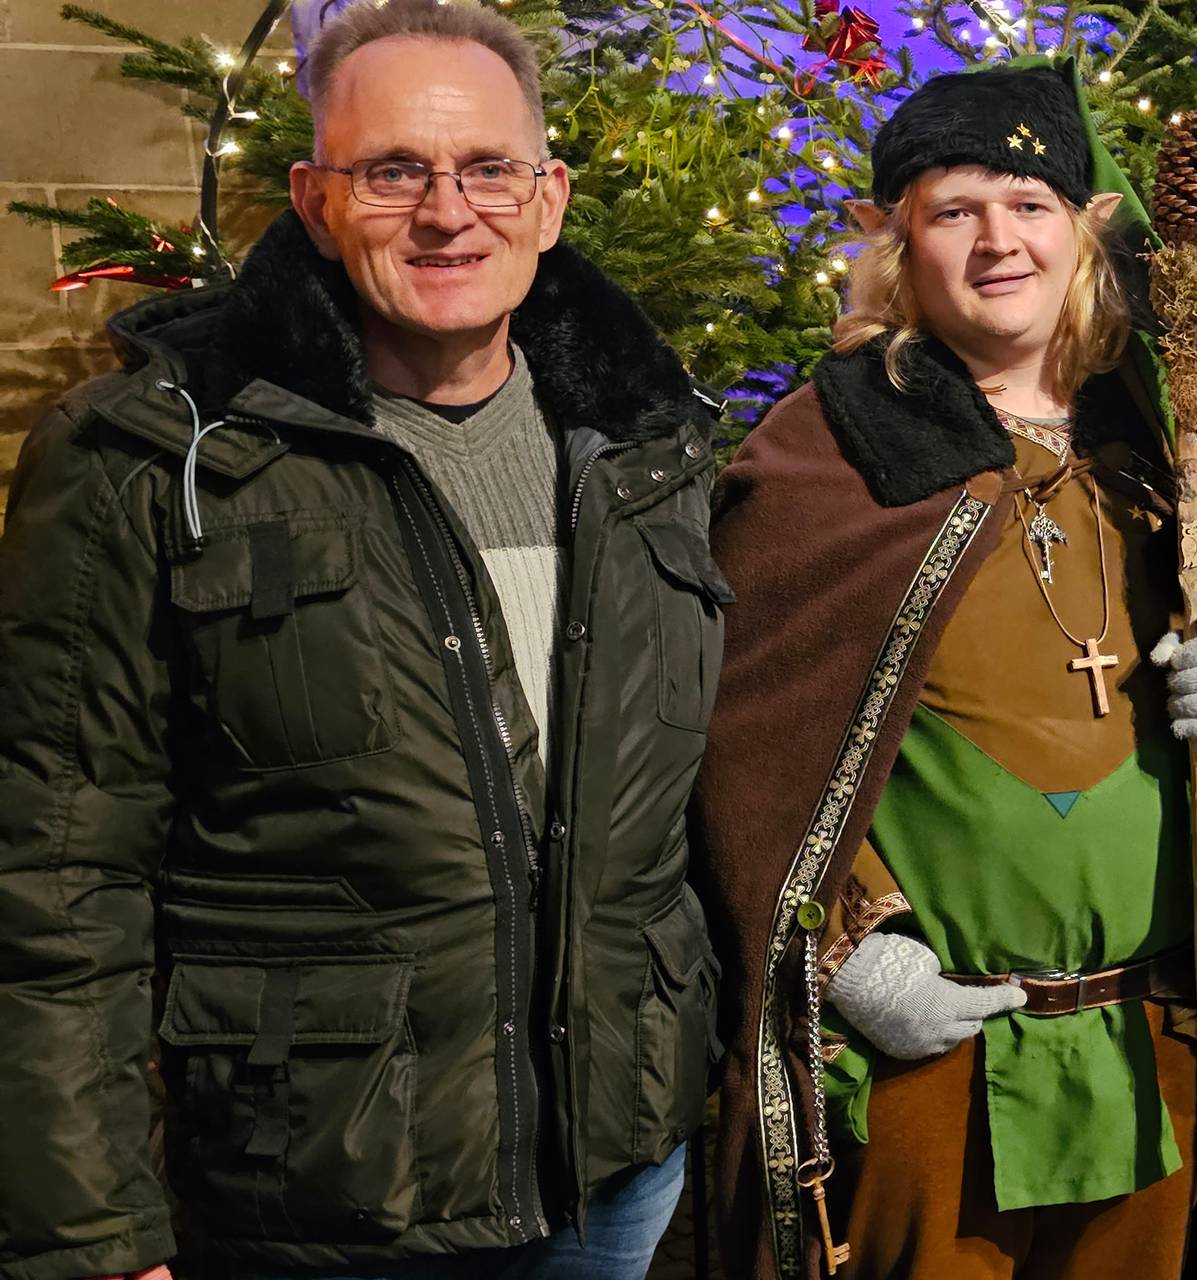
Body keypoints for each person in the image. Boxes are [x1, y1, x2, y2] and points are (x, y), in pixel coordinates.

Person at [0, 2, 722, 1278]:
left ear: (549, 199)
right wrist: (91, 1226)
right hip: (324, 1192)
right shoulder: (156, 459)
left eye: (489, 168)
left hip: (612, 1178)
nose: (449, 212)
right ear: (317, 200)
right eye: (394, 171)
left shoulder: (648, 451)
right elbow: (59, 867)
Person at [694, 64, 1197, 1280]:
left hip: (1152, 1045)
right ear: (898, 241)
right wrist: (851, 945)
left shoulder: (1164, 450)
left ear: (1085, 227)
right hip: (932, 1064)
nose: (1000, 241)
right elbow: (740, 735)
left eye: (1029, 204)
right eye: (956, 210)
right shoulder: (832, 448)